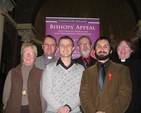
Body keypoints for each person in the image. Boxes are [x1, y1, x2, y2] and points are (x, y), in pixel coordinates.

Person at [79, 36, 132, 113]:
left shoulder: (122, 70)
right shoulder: (87, 72)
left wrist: (108, 112)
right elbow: (84, 96)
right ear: (94, 50)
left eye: (105, 46)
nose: (102, 49)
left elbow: (125, 96)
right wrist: (93, 111)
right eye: (99, 46)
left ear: (110, 51)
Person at [42, 36, 84, 113]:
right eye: (62, 45)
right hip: (53, 110)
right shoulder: (49, 68)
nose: (65, 48)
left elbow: (81, 92)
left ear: (73, 48)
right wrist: (59, 108)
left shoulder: (81, 69)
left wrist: (68, 107)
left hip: (74, 111)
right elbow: (46, 91)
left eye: (68, 45)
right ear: (58, 48)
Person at [3, 43, 45, 113]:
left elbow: (43, 97)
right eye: (25, 53)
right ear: (22, 55)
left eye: (31, 53)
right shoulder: (12, 72)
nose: (28, 55)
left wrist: (40, 110)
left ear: (35, 56)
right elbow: (5, 95)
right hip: (13, 110)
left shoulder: (41, 73)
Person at [115, 38, 141, 113]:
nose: (123, 49)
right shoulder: (110, 66)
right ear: (117, 49)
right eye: (120, 46)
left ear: (132, 50)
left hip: (133, 107)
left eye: (127, 47)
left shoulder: (138, 65)